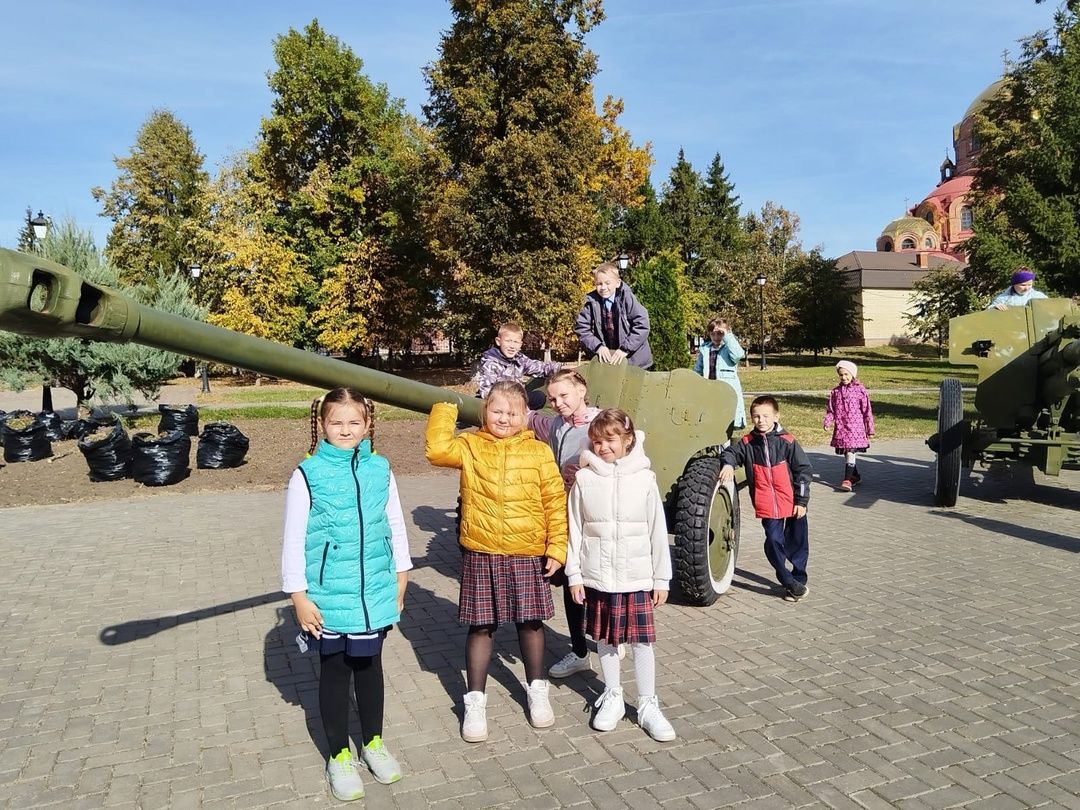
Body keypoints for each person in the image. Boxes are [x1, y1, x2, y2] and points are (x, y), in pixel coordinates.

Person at [281, 388, 412, 802]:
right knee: (335, 672)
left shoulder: (380, 468)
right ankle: (338, 755)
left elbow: (395, 522)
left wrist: (401, 573)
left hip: (374, 587)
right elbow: (293, 539)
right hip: (328, 595)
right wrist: (299, 596)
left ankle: (373, 743)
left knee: (370, 666)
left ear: (368, 424)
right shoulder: (308, 473)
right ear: (321, 424)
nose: (345, 430)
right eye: (336, 422)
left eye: (354, 422)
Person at [425, 381, 568, 743]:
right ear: (484, 412)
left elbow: (554, 502)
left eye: (512, 413)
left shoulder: (538, 452)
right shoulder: (471, 445)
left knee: (530, 624)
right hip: (482, 549)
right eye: (496, 411)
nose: (504, 418)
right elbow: (437, 450)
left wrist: (557, 548)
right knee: (481, 627)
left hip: (526, 549)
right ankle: (475, 703)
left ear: (525, 417)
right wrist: (446, 406)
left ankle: (537, 691)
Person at [565, 408, 677, 741]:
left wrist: (661, 578)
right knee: (606, 639)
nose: (603, 448)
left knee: (641, 642)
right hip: (599, 574)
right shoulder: (584, 480)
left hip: (637, 575)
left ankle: (646, 704)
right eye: (597, 441)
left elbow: (657, 529)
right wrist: (574, 575)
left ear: (627, 440)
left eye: (610, 440)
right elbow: (575, 529)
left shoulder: (645, 478)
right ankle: (612, 695)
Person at [527, 369, 601, 678]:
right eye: (553, 398)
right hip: (566, 514)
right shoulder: (556, 424)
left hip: (596, 515)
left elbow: (629, 450)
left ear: (582, 390)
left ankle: (608, 637)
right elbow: (530, 418)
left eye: (564, 396)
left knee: (599, 579)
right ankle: (580, 651)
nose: (557, 403)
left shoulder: (602, 422)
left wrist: (587, 466)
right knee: (574, 581)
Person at [719, 396, 812, 602]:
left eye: (765, 416)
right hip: (767, 503)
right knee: (773, 541)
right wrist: (727, 464)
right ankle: (787, 580)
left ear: (776, 416)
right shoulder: (748, 443)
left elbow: (803, 471)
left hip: (792, 501)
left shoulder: (787, 441)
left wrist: (801, 501)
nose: (760, 420)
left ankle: (798, 578)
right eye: (756, 416)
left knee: (797, 542)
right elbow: (730, 453)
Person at [574, 262, 653, 368]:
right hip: (607, 359)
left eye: (607, 283)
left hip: (634, 360)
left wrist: (625, 349)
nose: (603, 287)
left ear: (617, 283)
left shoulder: (627, 298)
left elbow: (642, 324)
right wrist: (598, 347)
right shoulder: (591, 301)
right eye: (599, 284)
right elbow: (581, 328)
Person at [473, 322, 560, 411]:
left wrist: (558, 368)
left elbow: (538, 367)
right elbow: (487, 391)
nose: (512, 346)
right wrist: (507, 402)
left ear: (520, 345)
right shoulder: (491, 362)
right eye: (508, 341)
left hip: (516, 398)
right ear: (498, 342)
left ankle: (519, 410)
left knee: (539, 397)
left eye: (516, 342)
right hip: (497, 401)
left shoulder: (519, 359)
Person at [824, 360, 874, 492]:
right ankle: (855, 476)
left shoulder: (860, 390)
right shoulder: (835, 392)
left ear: (852, 374)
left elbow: (866, 410)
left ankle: (847, 481)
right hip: (841, 428)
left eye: (846, 374)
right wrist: (828, 421)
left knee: (851, 451)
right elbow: (831, 409)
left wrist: (870, 428)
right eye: (841, 375)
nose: (844, 377)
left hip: (855, 428)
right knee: (847, 452)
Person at [693, 317, 747, 429]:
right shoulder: (705, 349)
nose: (716, 337)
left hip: (726, 390)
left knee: (726, 421)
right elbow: (698, 369)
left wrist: (727, 335)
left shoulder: (729, 348)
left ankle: (726, 446)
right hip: (709, 389)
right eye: (713, 334)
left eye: (720, 334)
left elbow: (738, 355)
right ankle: (712, 445)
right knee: (710, 419)